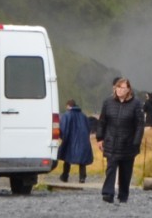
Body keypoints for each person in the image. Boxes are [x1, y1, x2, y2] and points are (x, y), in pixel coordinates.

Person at [97, 76, 144, 205]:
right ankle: (108, 193)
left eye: (123, 87)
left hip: (128, 143)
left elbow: (140, 125)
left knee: (126, 171)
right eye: (118, 87)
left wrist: (136, 142)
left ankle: (123, 195)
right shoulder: (108, 102)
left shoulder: (136, 104)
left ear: (128, 89)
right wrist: (100, 138)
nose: (120, 90)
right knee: (111, 168)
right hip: (111, 141)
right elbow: (102, 121)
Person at [56, 99, 93, 183]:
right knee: (82, 160)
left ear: (68, 106)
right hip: (83, 141)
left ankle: (65, 176)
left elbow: (63, 128)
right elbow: (88, 128)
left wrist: (62, 138)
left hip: (70, 141)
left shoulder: (66, 115)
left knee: (67, 158)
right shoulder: (83, 116)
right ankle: (82, 177)